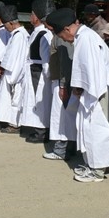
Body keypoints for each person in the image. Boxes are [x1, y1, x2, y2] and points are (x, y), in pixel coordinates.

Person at [46, 8, 109, 183]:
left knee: (97, 127)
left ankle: (97, 170)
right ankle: (95, 164)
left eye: (60, 35)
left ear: (67, 29)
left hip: (96, 89)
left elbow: (90, 68)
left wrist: (81, 88)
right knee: (92, 127)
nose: (62, 39)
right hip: (96, 87)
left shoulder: (86, 39)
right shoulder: (85, 36)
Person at [21, 0, 55, 144]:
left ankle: (42, 131)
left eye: (32, 14)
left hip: (39, 72)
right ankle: (36, 127)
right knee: (33, 101)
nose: (30, 16)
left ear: (38, 17)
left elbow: (46, 58)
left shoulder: (44, 34)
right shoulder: (35, 32)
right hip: (33, 70)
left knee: (40, 101)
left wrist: (47, 75)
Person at [41, 24, 77, 161]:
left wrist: (62, 86)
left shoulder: (61, 37)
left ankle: (61, 150)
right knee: (67, 116)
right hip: (62, 80)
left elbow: (65, 63)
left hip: (63, 81)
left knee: (62, 117)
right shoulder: (58, 36)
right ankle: (70, 147)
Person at [0, 5, 29, 133]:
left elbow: (14, 57)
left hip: (16, 74)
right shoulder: (20, 34)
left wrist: (3, 69)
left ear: (10, 23)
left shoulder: (19, 36)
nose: (5, 27)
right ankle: (12, 122)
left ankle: (15, 124)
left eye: (5, 24)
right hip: (14, 72)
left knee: (16, 100)